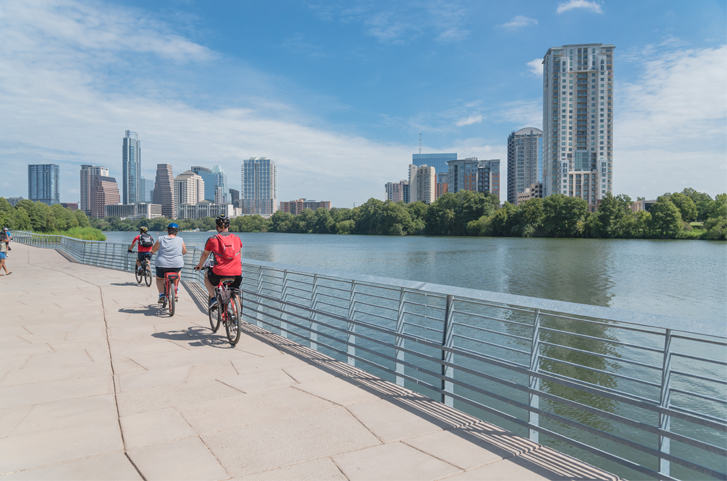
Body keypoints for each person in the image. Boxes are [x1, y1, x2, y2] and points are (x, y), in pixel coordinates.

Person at [194, 214, 242, 309]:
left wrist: (200, 265)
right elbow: (239, 254)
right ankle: (237, 318)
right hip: (237, 272)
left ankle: (213, 298)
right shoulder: (237, 238)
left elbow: (205, 254)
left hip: (220, 272)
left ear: (216, 226)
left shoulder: (212, 239)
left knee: (207, 275)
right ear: (228, 226)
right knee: (235, 291)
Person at [152, 223, 187, 303]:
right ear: (177, 232)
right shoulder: (180, 240)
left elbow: (154, 250)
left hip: (162, 264)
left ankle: (161, 294)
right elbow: (184, 252)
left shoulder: (161, 239)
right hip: (176, 264)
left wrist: (152, 252)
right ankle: (175, 286)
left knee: (159, 278)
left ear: (167, 231)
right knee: (178, 271)